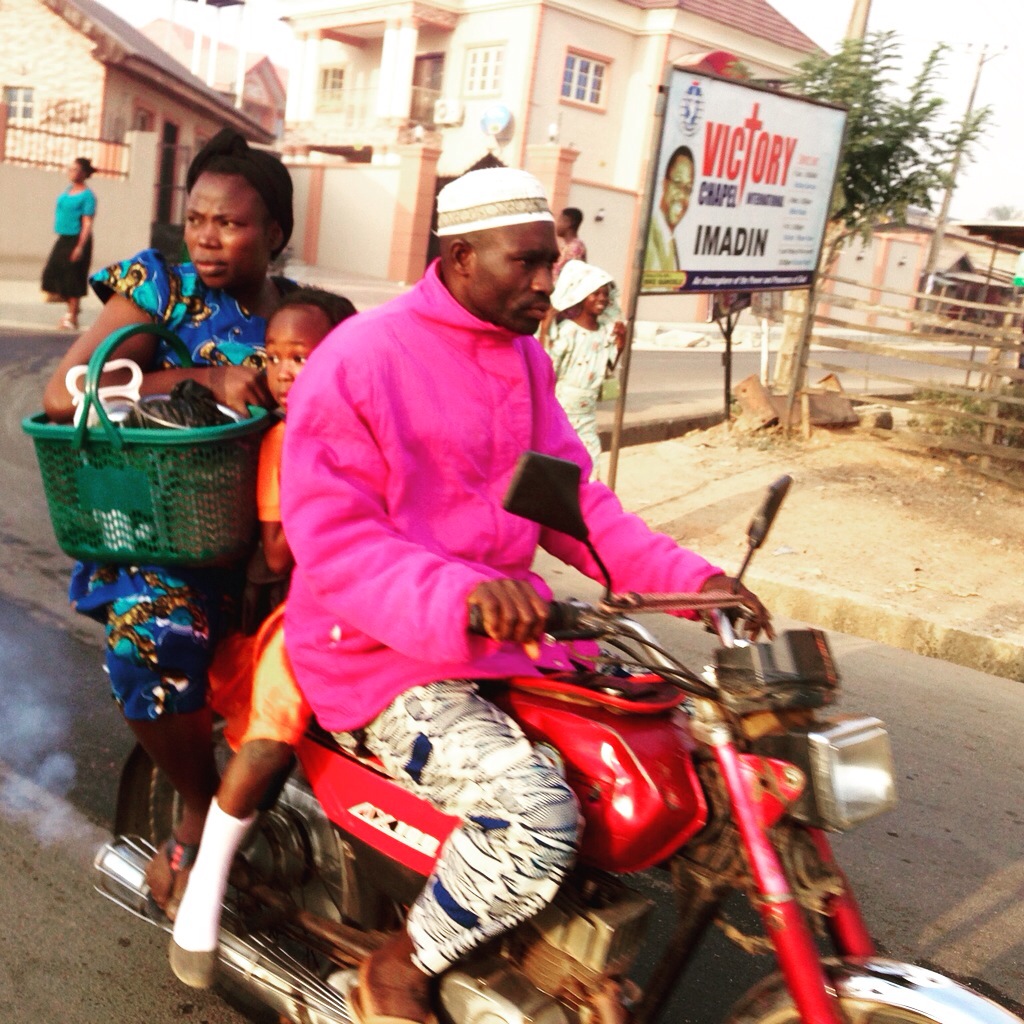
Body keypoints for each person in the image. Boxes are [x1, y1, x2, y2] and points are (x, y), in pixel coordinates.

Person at [277, 166, 771, 1024]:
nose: (549, 282)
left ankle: (549, 952)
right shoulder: (361, 359)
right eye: (529, 263)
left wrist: (697, 585)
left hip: (511, 638)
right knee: (536, 812)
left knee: (680, 750)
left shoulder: (525, 365)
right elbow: (336, 539)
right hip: (380, 654)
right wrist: (465, 594)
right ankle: (402, 966)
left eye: (553, 261)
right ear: (461, 256)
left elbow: (577, 509)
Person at [41, 127, 296, 922]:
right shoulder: (162, 290)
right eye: (197, 220)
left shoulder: (307, 320)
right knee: (150, 639)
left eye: (232, 223)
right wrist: (204, 378)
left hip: (276, 543)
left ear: (277, 235)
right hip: (170, 539)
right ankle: (196, 803)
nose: (208, 238)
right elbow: (67, 390)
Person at [168, 286, 356, 989]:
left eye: (300, 358)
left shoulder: (356, 426)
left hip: (369, 600)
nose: (282, 371)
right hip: (307, 612)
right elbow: (276, 556)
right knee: (272, 734)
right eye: (273, 358)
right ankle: (205, 883)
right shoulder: (287, 435)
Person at [540, 258, 626, 471]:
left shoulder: (603, 333)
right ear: (581, 295)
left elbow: (606, 369)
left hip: (587, 417)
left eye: (605, 294)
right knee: (560, 465)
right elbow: (548, 366)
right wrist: (545, 327)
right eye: (595, 293)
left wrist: (620, 345)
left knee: (590, 466)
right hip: (561, 414)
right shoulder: (568, 331)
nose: (602, 299)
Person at [41, 156, 98, 330]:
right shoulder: (68, 190)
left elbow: (87, 223)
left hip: (77, 238)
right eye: (70, 169)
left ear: (84, 173)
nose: (71, 172)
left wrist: (80, 247)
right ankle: (73, 309)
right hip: (63, 238)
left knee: (73, 278)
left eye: (75, 170)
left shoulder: (88, 196)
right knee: (51, 275)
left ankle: (72, 317)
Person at [644, 145, 694, 273]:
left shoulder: (670, 240)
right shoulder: (649, 238)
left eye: (687, 189)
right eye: (677, 184)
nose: (682, 196)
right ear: (664, 184)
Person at [552, 206, 586, 281]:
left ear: (568, 223)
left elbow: (572, 278)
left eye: (559, 220)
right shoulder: (567, 246)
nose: (556, 225)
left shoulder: (575, 248)